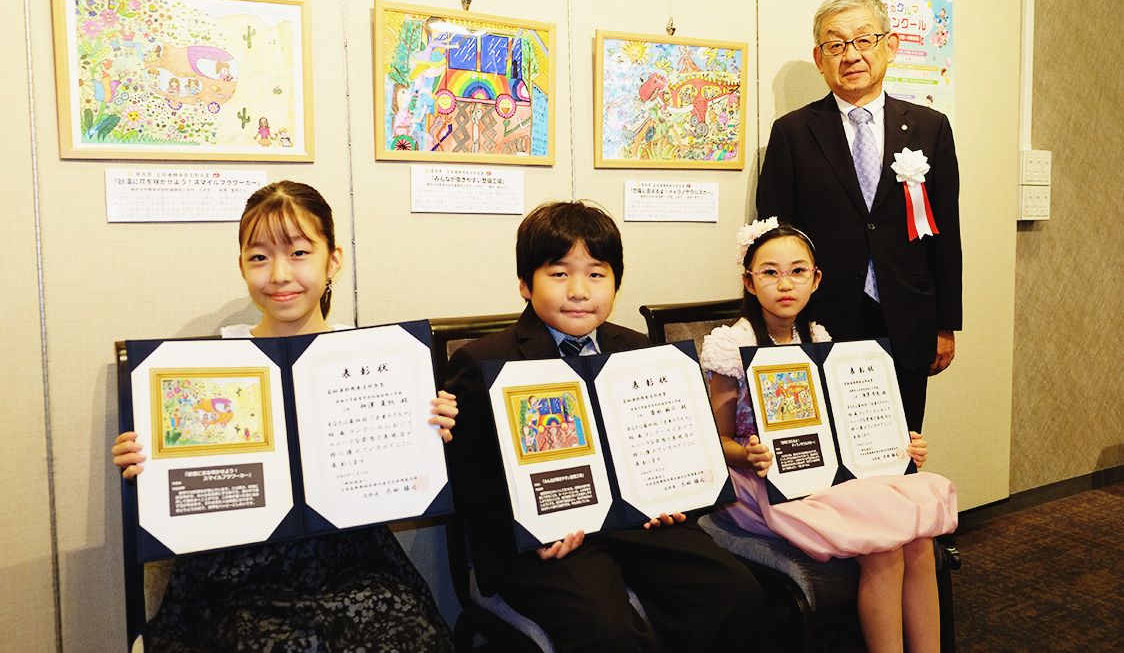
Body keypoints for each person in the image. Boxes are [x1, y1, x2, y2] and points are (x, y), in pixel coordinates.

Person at [111, 180, 456, 652]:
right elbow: (177, 484)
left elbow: (406, 477)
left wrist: (429, 429)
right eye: (259, 257)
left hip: (354, 562)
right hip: (234, 572)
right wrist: (143, 462)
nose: (278, 274)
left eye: (298, 253)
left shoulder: (374, 357)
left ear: (333, 259)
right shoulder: (208, 366)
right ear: (240, 265)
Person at [440, 200, 764, 652]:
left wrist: (677, 500)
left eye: (596, 274)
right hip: (550, 540)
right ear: (525, 284)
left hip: (639, 523)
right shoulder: (484, 359)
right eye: (559, 273)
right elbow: (469, 478)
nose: (579, 291)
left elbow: (672, 443)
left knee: (736, 592)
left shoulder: (638, 349)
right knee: (606, 633)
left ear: (616, 282)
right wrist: (529, 532)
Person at [701, 218, 958, 653]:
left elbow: (841, 423)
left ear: (816, 279)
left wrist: (897, 445)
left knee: (918, 540)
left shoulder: (817, 337)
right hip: (761, 482)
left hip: (823, 471)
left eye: (798, 271)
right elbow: (716, 440)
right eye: (770, 272)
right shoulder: (732, 344)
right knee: (883, 545)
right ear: (749, 281)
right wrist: (749, 455)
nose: (785, 284)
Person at [756, 0, 962, 431]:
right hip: (821, 320)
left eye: (864, 40)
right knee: (825, 447)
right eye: (835, 45)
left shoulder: (930, 128)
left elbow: (946, 233)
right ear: (819, 58)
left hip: (907, 319)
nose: (851, 55)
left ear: (890, 46)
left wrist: (945, 324)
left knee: (901, 446)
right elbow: (772, 237)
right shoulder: (792, 133)